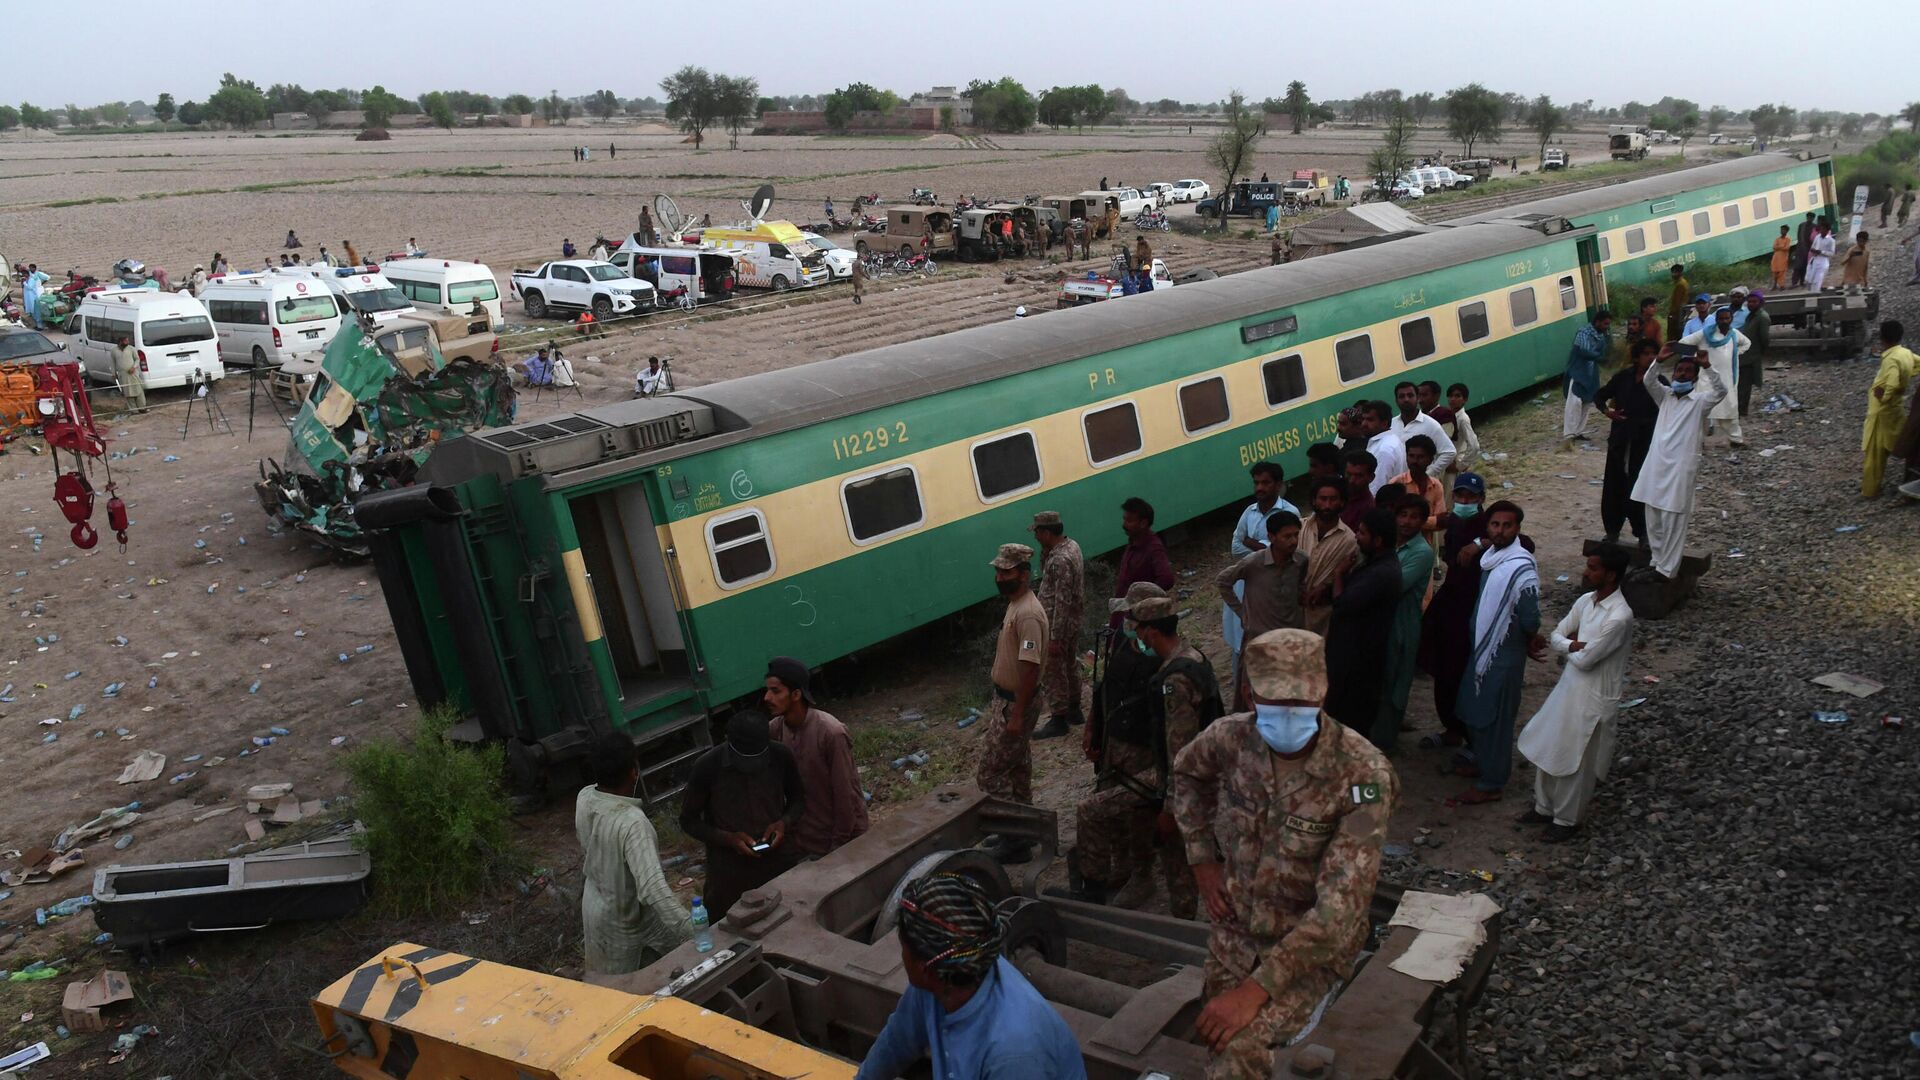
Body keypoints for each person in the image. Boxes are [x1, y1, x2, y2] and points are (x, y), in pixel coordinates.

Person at [1170, 628, 1396, 1080]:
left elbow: (1338, 914)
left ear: (1324, 691)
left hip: (1309, 953)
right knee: (1210, 1032)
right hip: (1235, 935)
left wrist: (1254, 992)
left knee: (1238, 1053)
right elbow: (1188, 775)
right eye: (1278, 705)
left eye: (1303, 704)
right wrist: (1202, 860)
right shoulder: (1231, 739)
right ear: (1250, 696)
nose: (1291, 716)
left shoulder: (1362, 774)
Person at [854, 872, 1087, 1080]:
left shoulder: (1013, 1055)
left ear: (924, 967)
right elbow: (897, 1043)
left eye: (902, 946)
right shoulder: (937, 981)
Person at [1079, 595, 1220, 913]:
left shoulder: (1174, 681)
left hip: (1183, 786)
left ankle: (1182, 927)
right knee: (1178, 858)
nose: (1137, 637)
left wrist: (1169, 808)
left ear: (1152, 631)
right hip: (1192, 781)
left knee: (1178, 856)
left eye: (1140, 630)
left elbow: (1179, 753)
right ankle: (1182, 922)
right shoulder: (1192, 658)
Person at [1516, 547, 1635, 842]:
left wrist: (1569, 646)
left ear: (1611, 575)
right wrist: (1571, 645)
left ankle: (1567, 820)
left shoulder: (1620, 617)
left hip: (1593, 697)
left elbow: (1587, 659)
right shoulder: (1585, 601)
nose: (1586, 572)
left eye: (1593, 568)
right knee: (1549, 746)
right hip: (1568, 688)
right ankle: (1544, 807)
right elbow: (1558, 633)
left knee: (1576, 760)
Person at [1076, 581, 1167, 900]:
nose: (1126, 620)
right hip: (1114, 738)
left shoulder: (1160, 654)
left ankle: (1143, 875)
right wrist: (1093, 727)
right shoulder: (1119, 641)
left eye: (1132, 614)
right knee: (1109, 804)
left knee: (1138, 812)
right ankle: (1122, 865)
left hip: (1141, 746)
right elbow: (1105, 687)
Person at [1448, 501, 1543, 807]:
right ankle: (1483, 764)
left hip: (1503, 654)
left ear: (1517, 529)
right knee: (1474, 710)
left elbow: (1530, 617)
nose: (1500, 531)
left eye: (1507, 526)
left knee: (1495, 718)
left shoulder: (1521, 566)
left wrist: (1530, 638)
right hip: (1483, 649)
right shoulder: (1491, 558)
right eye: (1495, 525)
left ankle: (1492, 782)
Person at [575, 733, 692, 974]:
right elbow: (653, 888)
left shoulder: (585, 796)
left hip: (595, 906)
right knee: (647, 987)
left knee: (608, 984)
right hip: (626, 922)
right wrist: (693, 929)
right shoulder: (632, 823)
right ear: (633, 772)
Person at [679, 712, 807, 920]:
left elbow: (798, 800)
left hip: (778, 861)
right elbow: (688, 821)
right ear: (728, 742)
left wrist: (783, 823)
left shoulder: (781, 755)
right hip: (730, 872)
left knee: (790, 920)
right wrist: (728, 839)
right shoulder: (707, 766)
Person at [977, 544, 1049, 853]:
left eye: (1006, 572)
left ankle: (1014, 837)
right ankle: (1024, 829)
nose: (999, 577)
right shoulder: (1016, 603)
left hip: (1016, 703)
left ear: (1024, 573)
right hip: (1008, 701)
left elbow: (1030, 668)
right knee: (1018, 768)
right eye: (997, 571)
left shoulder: (1028, 613)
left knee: (990, 772)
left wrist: (1017, 715)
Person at [1632, 350, 1726, 579]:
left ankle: (1666, 570)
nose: (1682, 374)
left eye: (1688, 372)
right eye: (1679, 370)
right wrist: (1659, 360)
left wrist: (1708, 367)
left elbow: (1721, 391)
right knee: (1653, 514)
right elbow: (1648, 380)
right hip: (1656, 464)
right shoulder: (1665, 396)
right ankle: (1656, 561)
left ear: (1695, 378)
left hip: (1680, 468)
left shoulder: (1700, 402)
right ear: (1673, 373)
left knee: (1673, 517)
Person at [765, 657, 868, 859]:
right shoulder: (776, 730)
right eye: (767, 691)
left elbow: (845, 795)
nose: (767, 697)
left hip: (843, 842)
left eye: (776, 691)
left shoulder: (831, 732)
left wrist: (838, 847)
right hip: (806, 842)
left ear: (796, 694)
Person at [1322, 508, 1400, 735]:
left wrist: (1338, 574)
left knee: (1347, 723)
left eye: (1363, 533)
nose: (1357, 536)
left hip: (1357, 663)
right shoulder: (1375, 564)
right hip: (1354, 657)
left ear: (1378, 540)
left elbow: (1343, 604)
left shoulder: (1381, 573)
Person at [1218, 510, 1306, 708]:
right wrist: (1242, 613)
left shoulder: (1301, 561)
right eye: (1287, 536)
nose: (1293, 541)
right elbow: (1223, 581)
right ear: (1271, 537)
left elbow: (1300, 586)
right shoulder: (1253, 563)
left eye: (1295, 535)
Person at [1222, 463, 1298, 673]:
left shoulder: (1289, 512)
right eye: (1256, 483)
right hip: (1244, 586)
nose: (1259, 488)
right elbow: (1236, 548)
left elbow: (1286, 551)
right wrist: (1266, 548)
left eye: (1265, 482)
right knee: (1242, 645)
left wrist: (1253, 543)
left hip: (1272, 589)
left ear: (1278, 485)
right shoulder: (1250, 512)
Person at [1375, 494, 1436, 752]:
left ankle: (1384, 743)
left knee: (1394, 688)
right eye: (1403, 515)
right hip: (1380, 622)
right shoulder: (1389, 543)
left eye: (1415, 517)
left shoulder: (1422, 552)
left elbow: (1394, 586)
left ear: (1423, 522)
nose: (1407, 522)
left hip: (1402, 624)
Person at [1595, 339, 1659, 544]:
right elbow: (1600, 395)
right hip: (1620, 440)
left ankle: (1642, 532)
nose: (1649, 358)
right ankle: (1612, 530)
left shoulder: (1659, 382)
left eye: (1653, 354)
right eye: (1646, 353)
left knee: (1639, 486)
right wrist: (1608, 412)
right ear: (1637, 356)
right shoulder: (1623, 378)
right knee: (1614, 485)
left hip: (1645, 442)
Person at [1029, 511, 1086, 740]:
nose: (1035, 536)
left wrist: (1054, 637)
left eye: (1037, 532)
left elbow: (1062, 599)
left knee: (1053, 670)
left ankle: (1059, 718)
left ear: (1046, 532)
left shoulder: (1060, 559)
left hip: (1058, 624)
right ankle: (1074, 710)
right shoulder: (1070, 546)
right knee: (1070, 664)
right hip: (1071, 620)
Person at [1679, 304, 1751, 446]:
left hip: (1727, 378)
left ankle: (1736, 440)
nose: (1724, 321)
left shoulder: (1734, 334)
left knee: (1730, 411)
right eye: (1721, 318)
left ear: (1731, 319)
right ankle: (1697, 442)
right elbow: (1683, 343)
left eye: (1727, 318)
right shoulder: (1705, 333)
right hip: (1707, 379)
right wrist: (1695, 357)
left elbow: (1747, 343)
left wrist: (1735, 353)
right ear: (1716, 320)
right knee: (1702, 412)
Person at [1863, 320, 1918, 498]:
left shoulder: (1891, 359)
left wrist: (1885, 396)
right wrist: (1906, 379)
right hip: (1897, 411)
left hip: (1881, 414)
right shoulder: (1905, 353)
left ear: (1882, 338)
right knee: (1907, 443)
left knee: (1874, 456)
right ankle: (1911, 479)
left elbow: (1892, 382)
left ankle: (1870, 491)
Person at [1299, 478, 1358, 637]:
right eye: (1323, 499)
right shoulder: (1298, 528)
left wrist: (1326, 587)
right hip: (1292, 611)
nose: (1327, 505)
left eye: (1333, 500)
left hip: (1322, 617)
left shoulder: (1350, 540)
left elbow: (1349, 578)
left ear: (1342, 503)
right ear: (1314, 501)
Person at [1109, 497, 1174, 628]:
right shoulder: (1133, 543)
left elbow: (1167, 579)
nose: (1124, 524)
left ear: (1143, 523)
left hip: (1138, 623)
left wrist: (1142, 604)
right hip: (1124, 618)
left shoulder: (1153, 548)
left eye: (1129, 520)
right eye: (1124, 519)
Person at [1388, 435, 1447, 553]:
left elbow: (1442, 522)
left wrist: (1409, 522)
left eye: (1420, 457)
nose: (1414, 461)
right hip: (1399, 548)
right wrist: (1432, 521)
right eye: (1411, 456)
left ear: (1430, 460)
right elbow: (1392, 519)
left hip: (1426, 547)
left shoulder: (1436, 485)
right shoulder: (1396, 483)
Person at [1563, 309, 1611, 445]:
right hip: (1578, 370)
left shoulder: (1601, 335)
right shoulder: (1583, 332)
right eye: (1605, 324)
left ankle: (1578, 432)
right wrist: (1600, 358)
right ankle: (1569, 434)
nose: (1607, 327)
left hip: (1590, 372)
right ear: (1598, 322)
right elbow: (1582, 351)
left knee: (1586, 402)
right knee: (1574, 402)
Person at [1390, 381, 1456, 474]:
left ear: (1417, 398)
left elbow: (1449, 452)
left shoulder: (1430, 424)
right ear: (1396, 401)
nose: (1406, 399)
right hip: (1396, 483)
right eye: (1401, 396)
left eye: (1410, 395)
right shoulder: (1391, 424)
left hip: (1420, 484)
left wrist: (1429, 473)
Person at [1736, 290, 1770, 418]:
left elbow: (1764, 338)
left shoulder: (1762, 317)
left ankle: (1742, 410)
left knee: (1745, 384)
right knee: (1742, 383)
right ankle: (1740, 408)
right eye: (1749, 301)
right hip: (1745, 354)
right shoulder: (1752, 315)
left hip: (1751, 356)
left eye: (1754, 302)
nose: (1751, 304)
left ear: (1760, 303)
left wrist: (1760, 352)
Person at [1360, 401, 1406, 491]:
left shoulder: (1384, 449)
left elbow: (1376, 488)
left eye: (1370, 420)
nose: (1364, 424)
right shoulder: (1390, 440)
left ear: (1384, 423)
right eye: (1363, 419)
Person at [1339, 450, 1377, 528]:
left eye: (1359, 476)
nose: (1352, 480)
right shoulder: (1336, 495)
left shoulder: (1368, 509)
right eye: (1349, 474)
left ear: (1371, 478)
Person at [1446, 383, 1481, 468]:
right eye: (1450, 396)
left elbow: (1474, 446)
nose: (1453, 399)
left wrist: (1460, 466)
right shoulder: (1447, 415)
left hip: (1452, 464)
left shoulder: (1463, 419)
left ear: (1465, 399)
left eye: (1457, 396)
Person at [112, 336, 145, 410]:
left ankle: (142, 408)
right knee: (127, 393)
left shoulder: (131, 348)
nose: (128, 342)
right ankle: (134, 411)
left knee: (138, 390)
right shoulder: (114, 351)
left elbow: (137, 359)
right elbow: (113, 363)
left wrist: (134, 367)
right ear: (120, 341)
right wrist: (113, 373)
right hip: (123, 375)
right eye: (126, 341)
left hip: (133, 373)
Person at [1806, 218, 1836, 291]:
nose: (1821, 231)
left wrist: (1821, 252)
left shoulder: (1831, 241)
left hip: (1823, 262)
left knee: (1817, 280)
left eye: (1823, 229)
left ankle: (1815, 295)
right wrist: (1813, 250)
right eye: (1821, 229)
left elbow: (1832, 253)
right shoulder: (1817, 237)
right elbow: (1813, 246)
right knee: (1809, 279)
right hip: (1814, 260)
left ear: (1827, 230)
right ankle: (1811, 293)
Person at [1665, 264, 1691, 342]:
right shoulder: (1682, 282)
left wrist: (1673, 314)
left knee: (1674, 333)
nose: (1672, 275)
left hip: (1677, 312)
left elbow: (1677, 302)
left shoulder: (1680, 284)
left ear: (1679, 273)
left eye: (1674, 272)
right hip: (1680, 311)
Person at [1792, 211, 1816, 287]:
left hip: (1809, 249)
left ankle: (1802, 281)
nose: (1809, 219)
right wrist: (1796, 249)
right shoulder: (1801, 225)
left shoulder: (1815, 227)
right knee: (1797, 267)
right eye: (1808, 217)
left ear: (1813, 218)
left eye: (1811, 218)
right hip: (1800, 249)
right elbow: (1799, 237)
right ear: (1807, 217)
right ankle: (1794, 283)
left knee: (1806, 266)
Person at [1770, 224, 1793, 289]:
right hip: (1776, 258)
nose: (1782, 231)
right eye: (1781, 230)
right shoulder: (1777, 239)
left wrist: (1779, 247)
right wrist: (1781, 247)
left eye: (1783, 230)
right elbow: (1774, 247)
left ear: (1786, 231)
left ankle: (1781, 285)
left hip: (1783, 258)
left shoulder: (1787, 239)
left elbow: (1787, 248)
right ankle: (1774, 285)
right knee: (1775, 271)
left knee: (1782, 272)